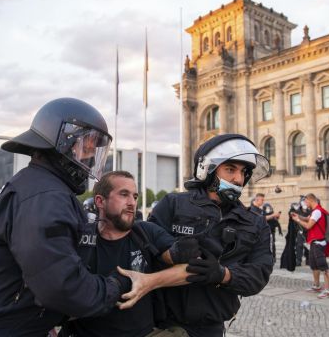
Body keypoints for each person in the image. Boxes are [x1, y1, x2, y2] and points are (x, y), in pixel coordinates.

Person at [0, 98, 151, 336]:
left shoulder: (34, 184)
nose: (89, 158)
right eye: (86, 149)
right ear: (63, 143)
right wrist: (121, 283)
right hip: (0, 327)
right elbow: (66, 289)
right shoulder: (47, 196)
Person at [148, 133, 274, 337]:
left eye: (243, 172)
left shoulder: (255, 222)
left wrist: (223, 274)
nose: (238, 179)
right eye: (230, 169)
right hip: (160, 324)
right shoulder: (173, 204)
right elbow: (145, 249)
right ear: (207, 169)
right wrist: (171, 252)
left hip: (211, 328)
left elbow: (259, 275)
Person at [71, 171, 194, 337]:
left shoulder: (145, 232)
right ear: (100, 201)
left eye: (135, 197)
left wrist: (149, 281)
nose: (132, 203)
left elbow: (191, 269)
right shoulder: (81, 239)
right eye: (123, 195)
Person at [290, 193, 329, 299]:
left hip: (318, 242)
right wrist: (298, 216)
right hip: (314, 242)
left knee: (323, 266)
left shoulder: (317, 211)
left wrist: (298, 220)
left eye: (306, 201)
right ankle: (317, 286)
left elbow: (308, 225)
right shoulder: (315, 211)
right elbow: (308, 218)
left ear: (310, 200)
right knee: (314, 265)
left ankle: (327, 290)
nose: (305, 203)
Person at [250, 193, 281, 263]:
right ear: (257, 200)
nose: (263, 202)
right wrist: (273, 215)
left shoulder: (260, 210)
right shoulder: (252, 209)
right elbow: (262, 218)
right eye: (262, 200)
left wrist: (274, 217)